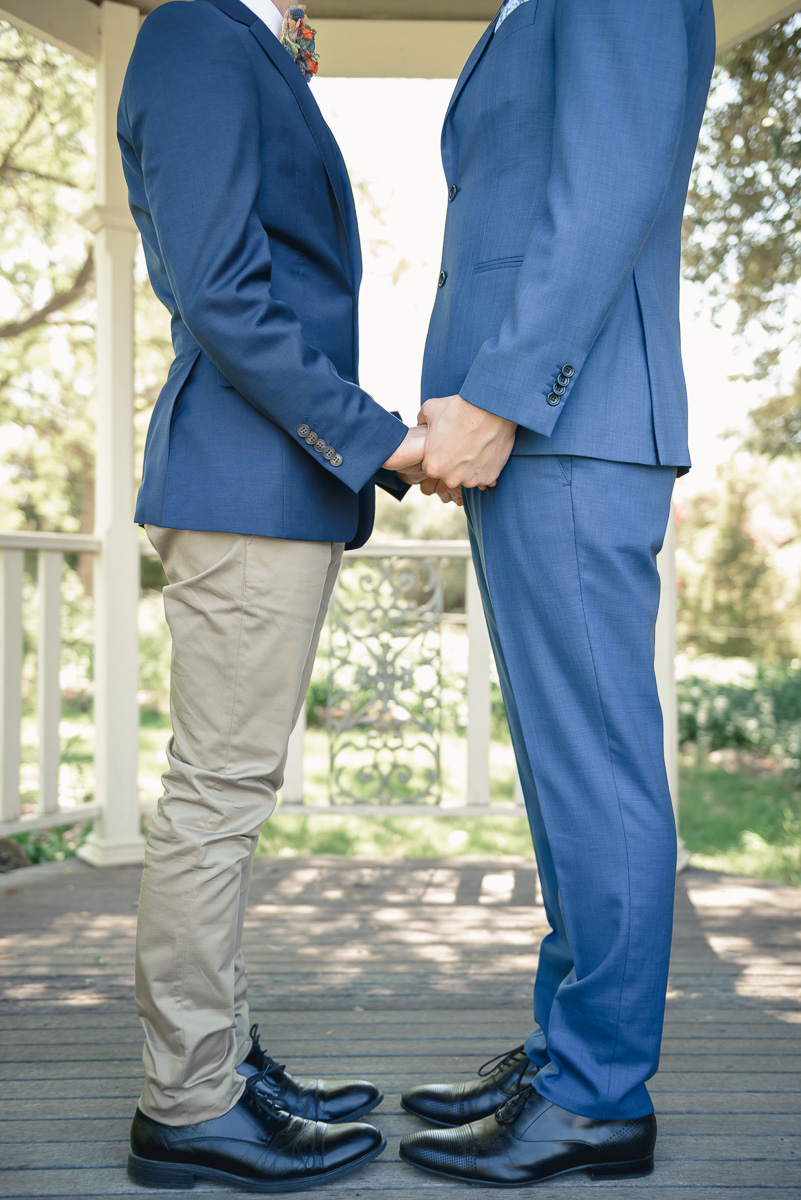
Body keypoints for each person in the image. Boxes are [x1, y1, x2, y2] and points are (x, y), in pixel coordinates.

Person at [399, 0, 716, 1187]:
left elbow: (611, 181)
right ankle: (568, 1050)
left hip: (568, 421)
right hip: (538, 426)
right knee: (561, 768)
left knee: (596, 766)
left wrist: (501, 396)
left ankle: (599, 1098)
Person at [116, 0, 428, 1190]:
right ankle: (189, 1104)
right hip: (248, 480)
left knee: (225, 792)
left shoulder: (229, 41)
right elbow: (223, 292)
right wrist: (378, 438)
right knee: (216, 799)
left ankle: (223, 1061)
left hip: (267, 486)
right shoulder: (197, 33)